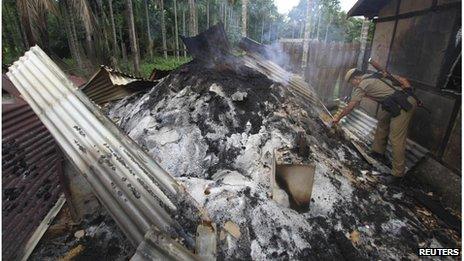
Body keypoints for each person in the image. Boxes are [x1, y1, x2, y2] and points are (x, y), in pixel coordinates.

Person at [333, 68, 417, 184]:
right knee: (382, 122)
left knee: (396, 138)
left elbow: (352, 105)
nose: (353, 86)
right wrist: (409, 89)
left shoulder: (362, 84)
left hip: (404, 104)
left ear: (356, 79)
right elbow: (403, 79)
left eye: (352, 83)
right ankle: (378, 152)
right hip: (392, 103)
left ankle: (398, 175)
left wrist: (337, 117)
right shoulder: (376, 75)